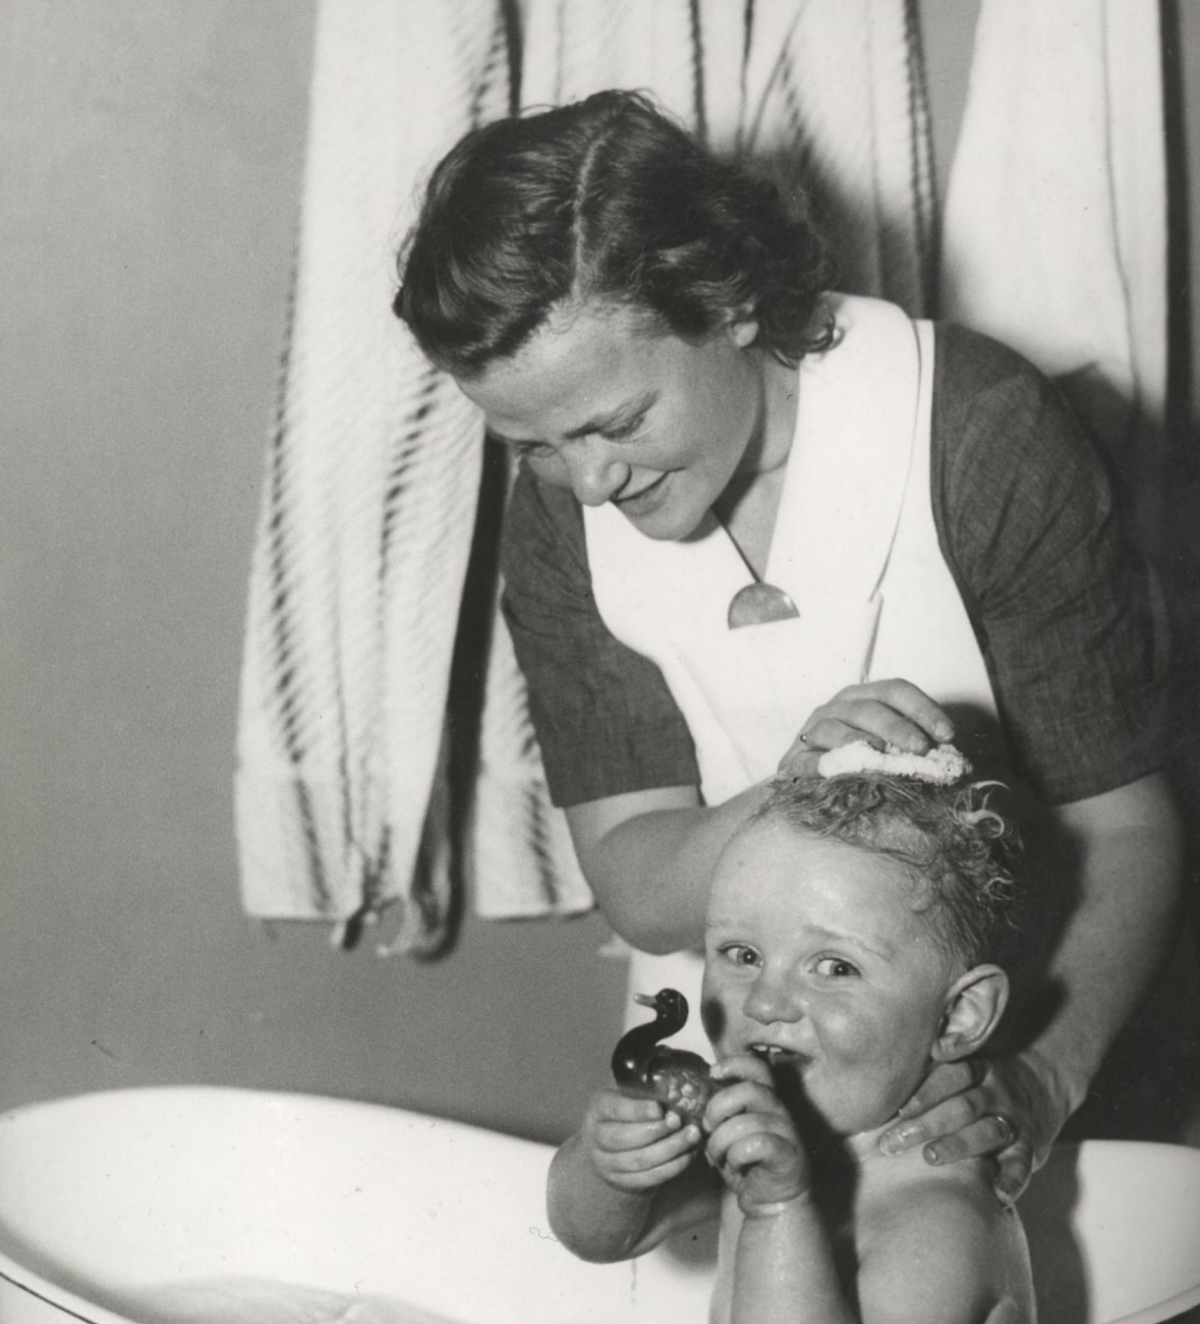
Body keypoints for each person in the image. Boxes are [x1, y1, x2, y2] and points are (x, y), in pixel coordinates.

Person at [393, 89, 1185, 1202]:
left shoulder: (975, 434)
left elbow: (1130, 833)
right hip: (747, 1042)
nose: (589, 483)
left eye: (617, 424)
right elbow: (641, 882)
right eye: (533, 445)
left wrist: (1043, 1080)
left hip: (1011, 1047)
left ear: (732, 305)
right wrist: (790, 794)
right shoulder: (562, 515)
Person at [548, 766, 1037, 1324]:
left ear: (958, 1017)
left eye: (834, 967)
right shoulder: (775, 1129)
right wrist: (608, 1163)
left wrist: (779, 1208)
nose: (768, 1001)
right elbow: (599, 1238)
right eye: (742, 955)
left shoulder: (942, 1220)